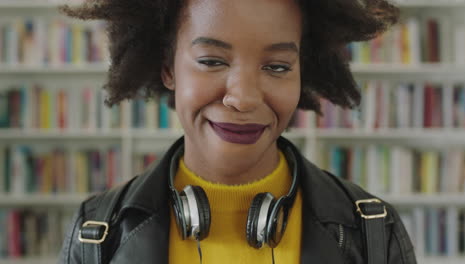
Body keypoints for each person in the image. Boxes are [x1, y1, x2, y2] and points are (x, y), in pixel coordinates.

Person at [58, 0, 417, 263]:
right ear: (168, 68)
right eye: (212, 61)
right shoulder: (96, 232)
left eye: (277, 67)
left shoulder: (372, 231)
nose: (243, 98)